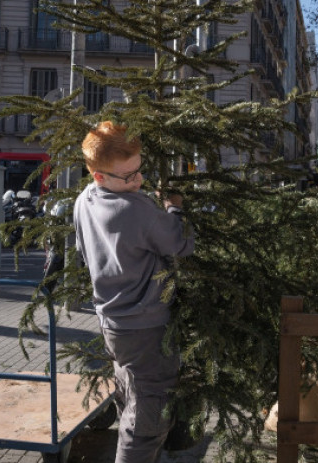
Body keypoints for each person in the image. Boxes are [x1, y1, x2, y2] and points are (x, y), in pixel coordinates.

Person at [73, 121, 195, 463]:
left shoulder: (84, 200)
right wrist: (174, 207)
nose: (138, 181)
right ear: (100, 175)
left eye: (139, 171)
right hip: (147, 327)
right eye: (128, 177)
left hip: (112, 323)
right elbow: (180, 243)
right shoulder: (136, 207)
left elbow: (84, 253)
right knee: (146, 422)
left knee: (131, 398)